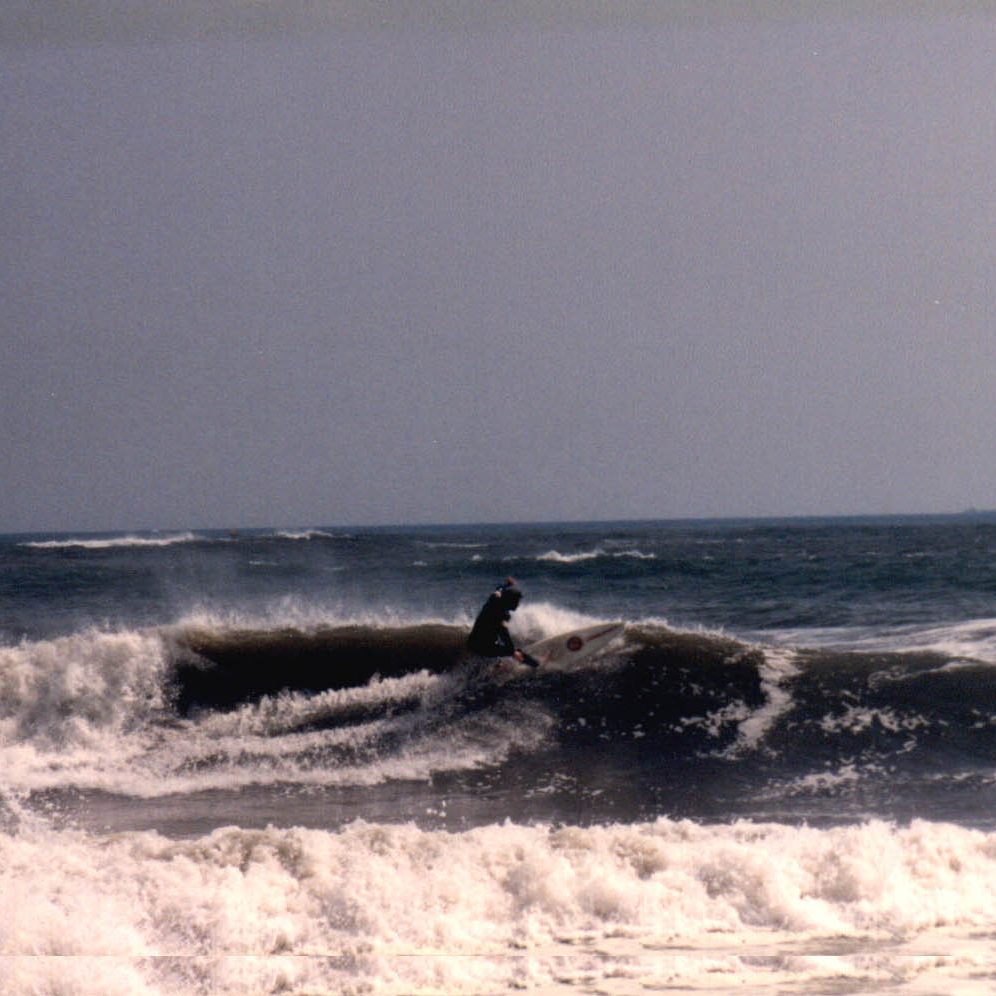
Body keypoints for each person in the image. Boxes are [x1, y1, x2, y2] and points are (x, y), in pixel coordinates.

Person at [467, 577, 538, 666]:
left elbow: (499, 590)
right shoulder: (499, 616)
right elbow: (505, 637)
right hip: (482, 648)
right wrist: (514, 652)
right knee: (513, 651)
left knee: (502, 647)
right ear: (510, 601)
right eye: (516, 602)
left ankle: (496, 664)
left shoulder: (494, 599)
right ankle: (536, 666)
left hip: (473, 642)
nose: (518, 604)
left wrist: (506, 584)